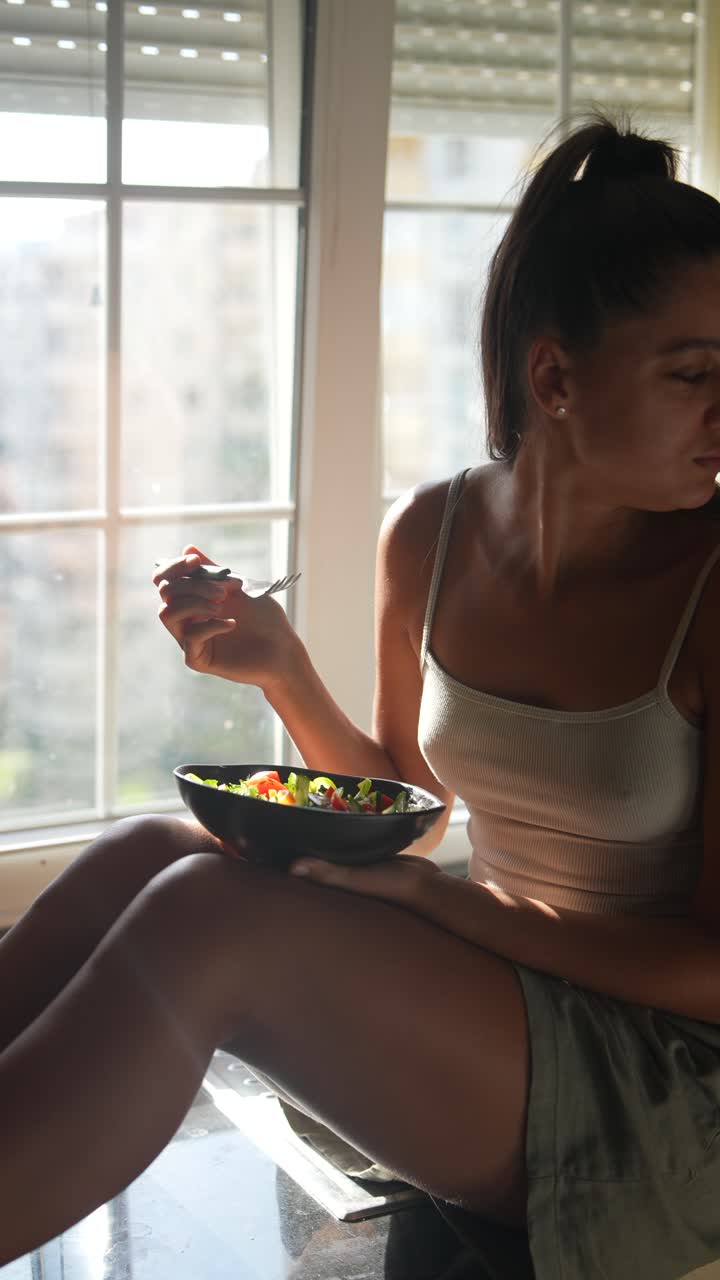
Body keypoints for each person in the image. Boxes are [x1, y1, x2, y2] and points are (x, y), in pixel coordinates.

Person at [3, 111, 720, 1279]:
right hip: (509, 985)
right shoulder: (432, 535)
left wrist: (460, 914)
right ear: (555, 376)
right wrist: (284, 666)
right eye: (695, 374)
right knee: (149, 851)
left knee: (206, 923)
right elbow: (411, 806)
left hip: (672, 1077)